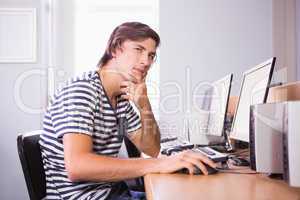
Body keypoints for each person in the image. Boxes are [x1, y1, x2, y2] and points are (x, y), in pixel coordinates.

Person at [39, 22, 217, 200]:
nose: (146, 61)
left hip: (111, 193)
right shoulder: (81, 91)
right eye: (138, 49)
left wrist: (144, 106)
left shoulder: (120, 100)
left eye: (151, 55)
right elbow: (78, 167)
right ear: (115, 49)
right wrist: (160, 163)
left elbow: (151, 148)